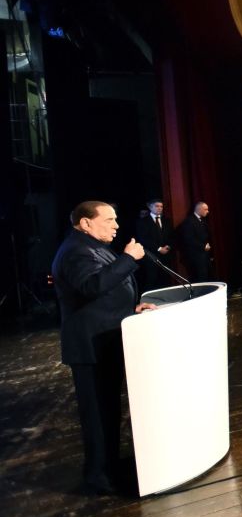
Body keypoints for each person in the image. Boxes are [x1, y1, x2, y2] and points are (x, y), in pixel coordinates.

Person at [52, 201, 154, 494]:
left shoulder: (91, 247)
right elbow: (92, 286)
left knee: (109, 409)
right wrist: (127, 258)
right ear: (86, 223)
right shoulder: (75, 251)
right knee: (97, 414)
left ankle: (110, 465)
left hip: (105, 340)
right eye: (109, 220)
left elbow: (103, 296)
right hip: (90, 346)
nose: (116, 226)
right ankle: (97, 475)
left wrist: (131, 309)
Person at [134, 198, 173, 291]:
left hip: (166, 256)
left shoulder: (167, 221)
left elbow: (172, 236)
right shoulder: (142, 222)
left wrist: (168, 246)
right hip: (151, 256)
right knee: (151, 280)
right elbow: (143, 239)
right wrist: (159, 249)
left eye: (161, 206)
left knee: (165, 280)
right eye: (157, 206)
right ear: (150, 207)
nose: (159, 208)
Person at [178, 201, 212, 282]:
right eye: (205, 209)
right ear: (199, 209)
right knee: (199, 278)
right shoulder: (189, 221)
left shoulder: (202, 221)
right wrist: (203, 246)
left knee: (206, 276)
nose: (208, 211)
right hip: (195, 256)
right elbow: (188, 239)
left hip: (203, 255)